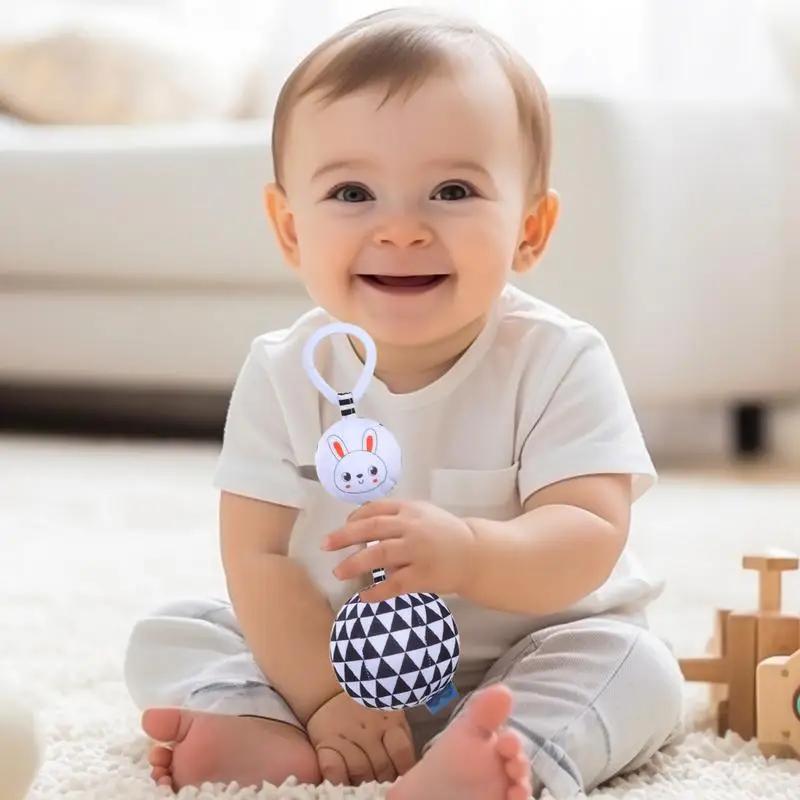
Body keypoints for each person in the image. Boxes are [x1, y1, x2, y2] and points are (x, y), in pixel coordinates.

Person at [123, 7, 685, 799]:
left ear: (531, 228)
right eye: (352, 192)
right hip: (332, 661)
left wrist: (470, 552)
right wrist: (322, 697)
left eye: (452, 190)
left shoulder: (559, 358)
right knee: (176, 629)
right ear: (290, 229)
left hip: (526, 651)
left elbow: (591, 531)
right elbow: (258, 558)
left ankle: (498, 753)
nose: (401, 228)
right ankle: (258, 728)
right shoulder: (283, 372)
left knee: (638, 667)